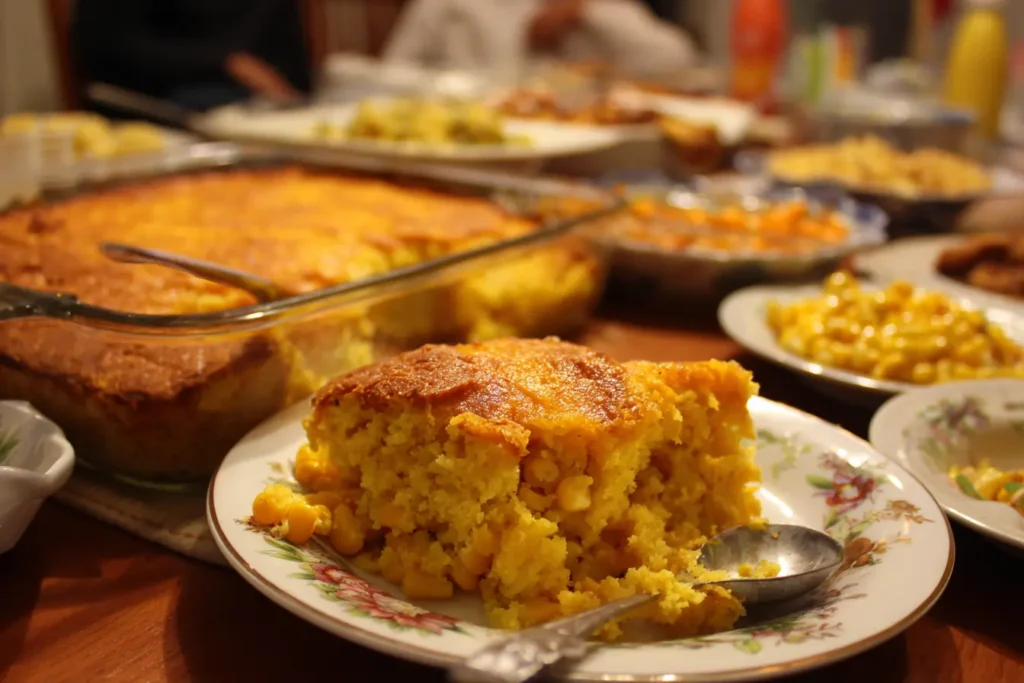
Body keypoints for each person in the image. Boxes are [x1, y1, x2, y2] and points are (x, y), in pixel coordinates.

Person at [71, 0, 312, 114]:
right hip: (159, 105)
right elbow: (109, 48)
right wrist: (225, 62)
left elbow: (290, 55)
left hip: (271, 113)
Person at [381, 0, 699, 82]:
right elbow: (387, 74)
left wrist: (583, 12)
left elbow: (677, 57)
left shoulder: (596, 10)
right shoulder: (448, 7)